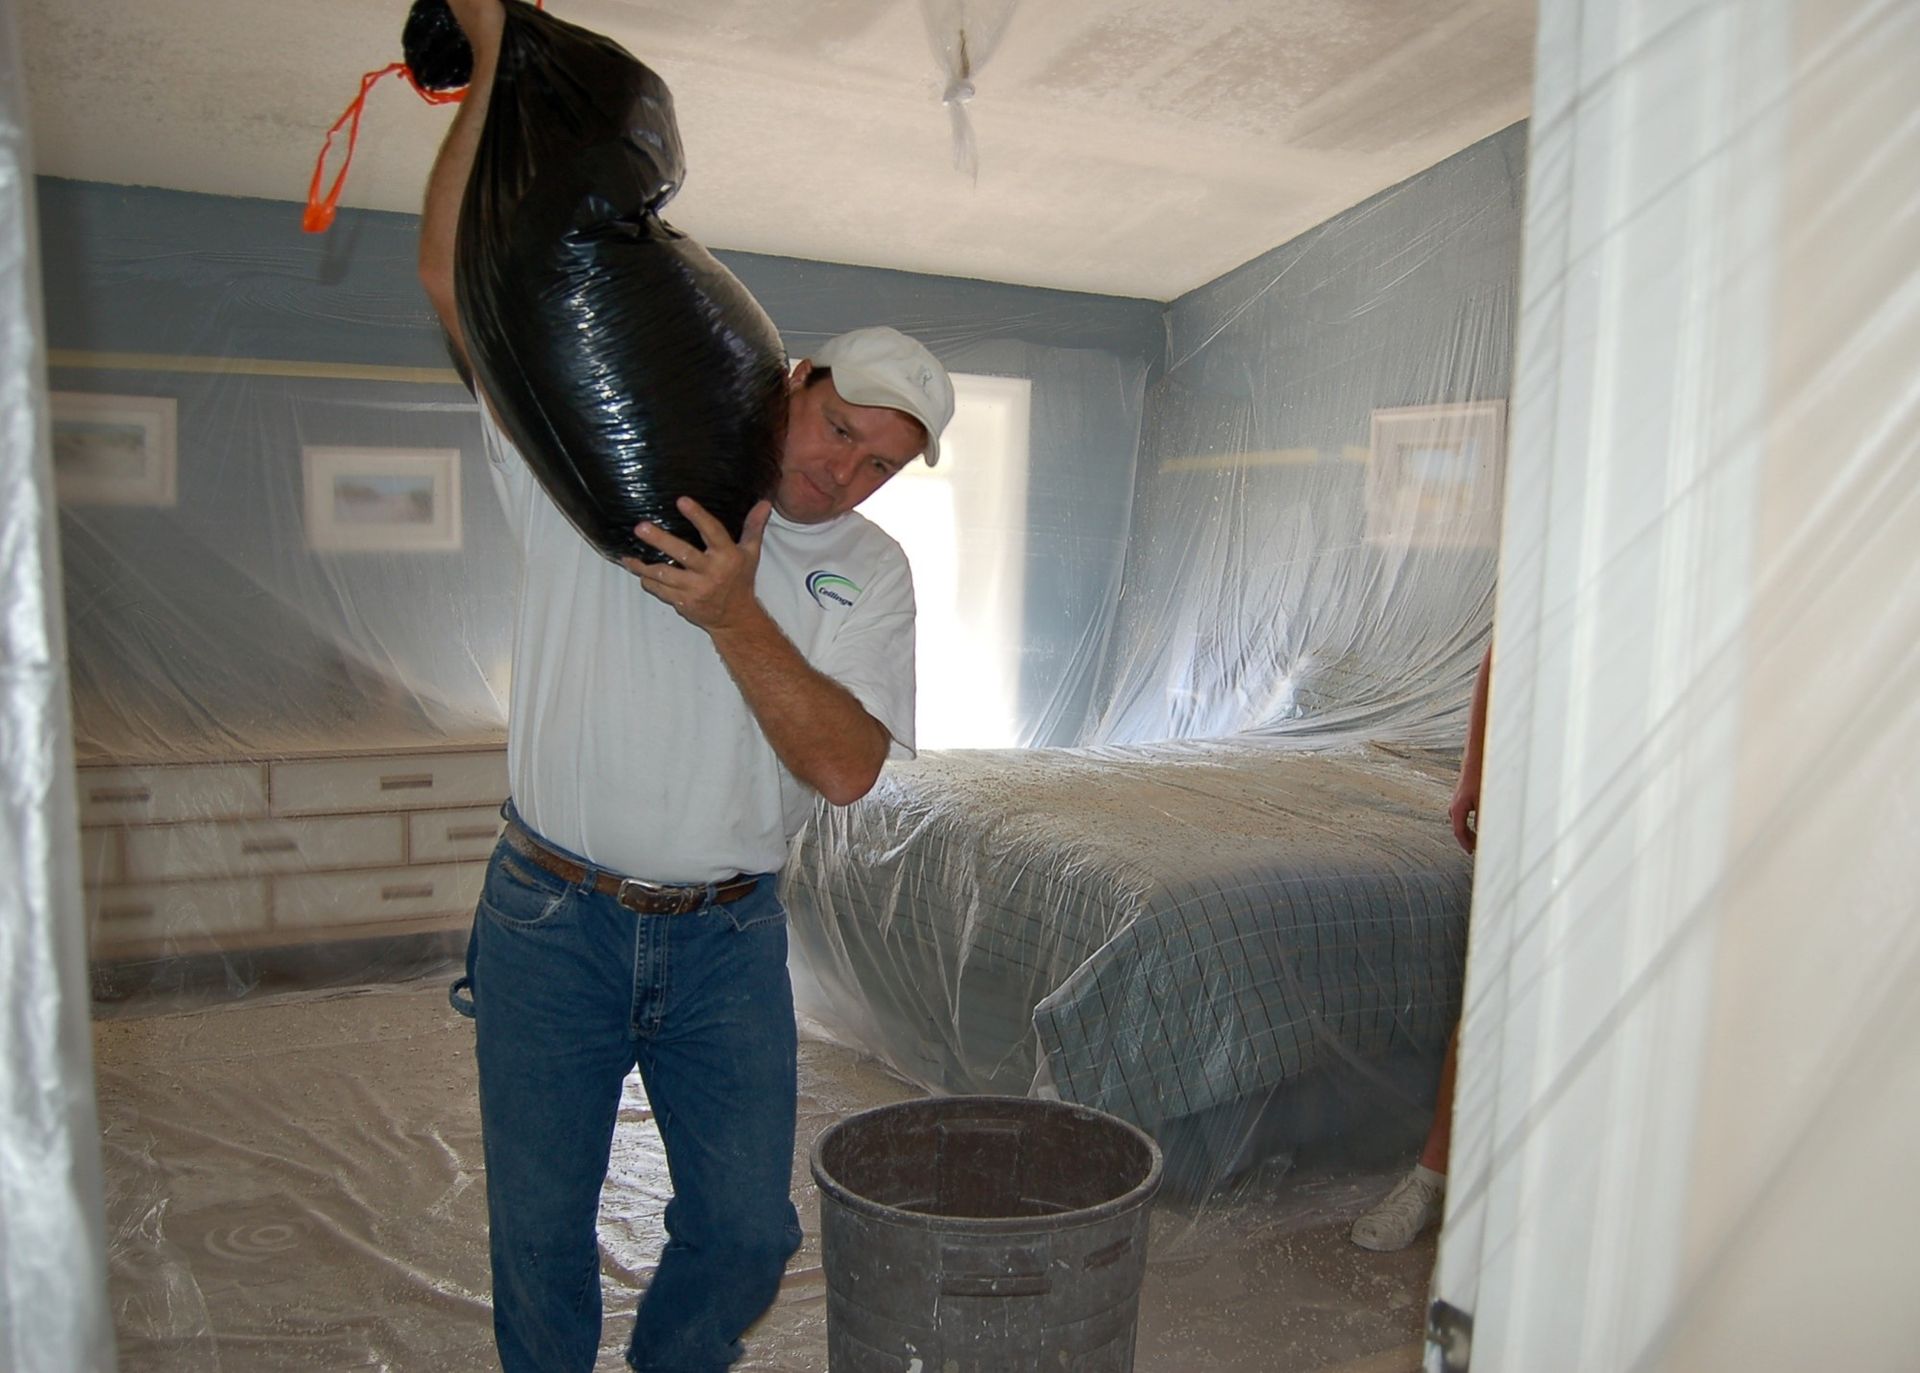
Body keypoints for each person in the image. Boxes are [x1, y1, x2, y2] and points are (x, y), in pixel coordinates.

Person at [417, 3, 956, 1368]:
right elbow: (457, 283)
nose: (843, 471)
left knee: (745, 1230)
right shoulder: (600, 460)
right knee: (540, 1233)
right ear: (792, 381)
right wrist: (492, 68)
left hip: (726, 939)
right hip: (552, 917)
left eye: (880, 463)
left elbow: (845, 766)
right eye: (839, 427)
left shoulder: (870, 573)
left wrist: (733, 614)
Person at [1349, 640, 1492, 1252]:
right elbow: (1500, 652)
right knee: (1489, 991)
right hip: (1539, 781)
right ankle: (1432, 1178)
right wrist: (1471, 772)